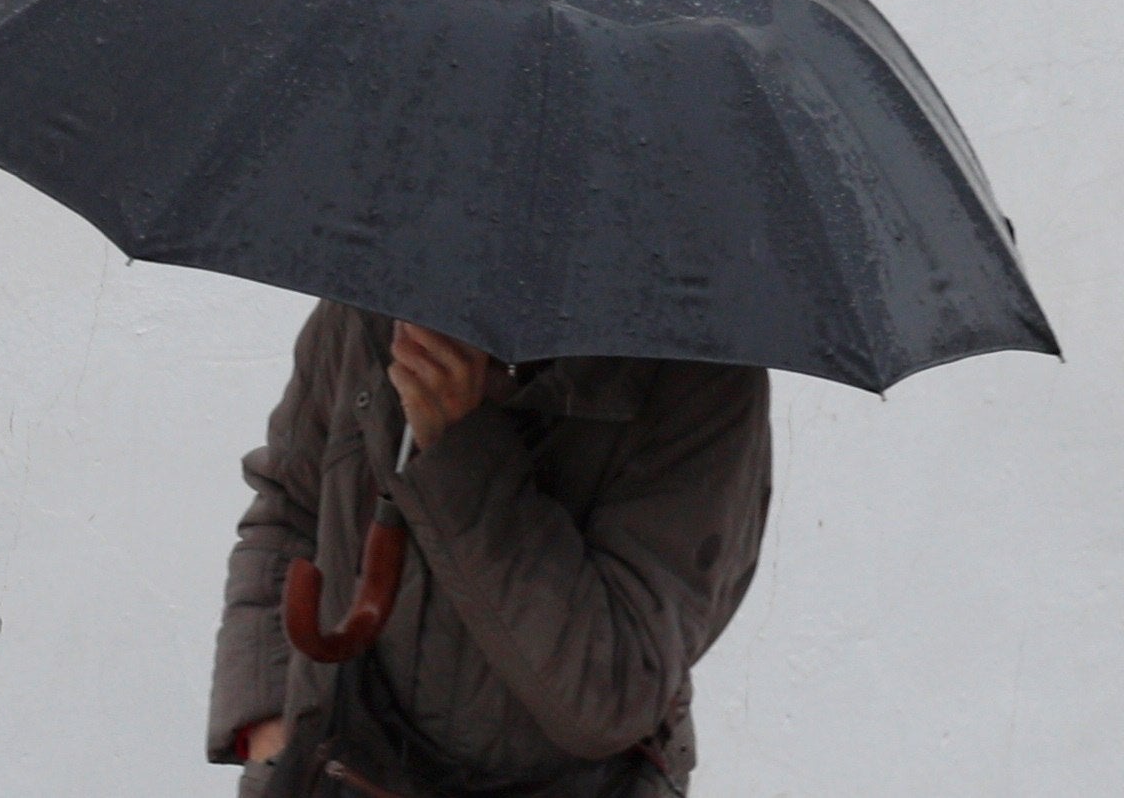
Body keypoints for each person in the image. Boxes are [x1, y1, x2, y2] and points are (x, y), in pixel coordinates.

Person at [208, 300, 772, 797]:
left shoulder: (700, 376)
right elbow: (289, 509)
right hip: (338, 772)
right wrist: (269, 733)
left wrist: (458, 445)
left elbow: (613, 694)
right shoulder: (375, 305)